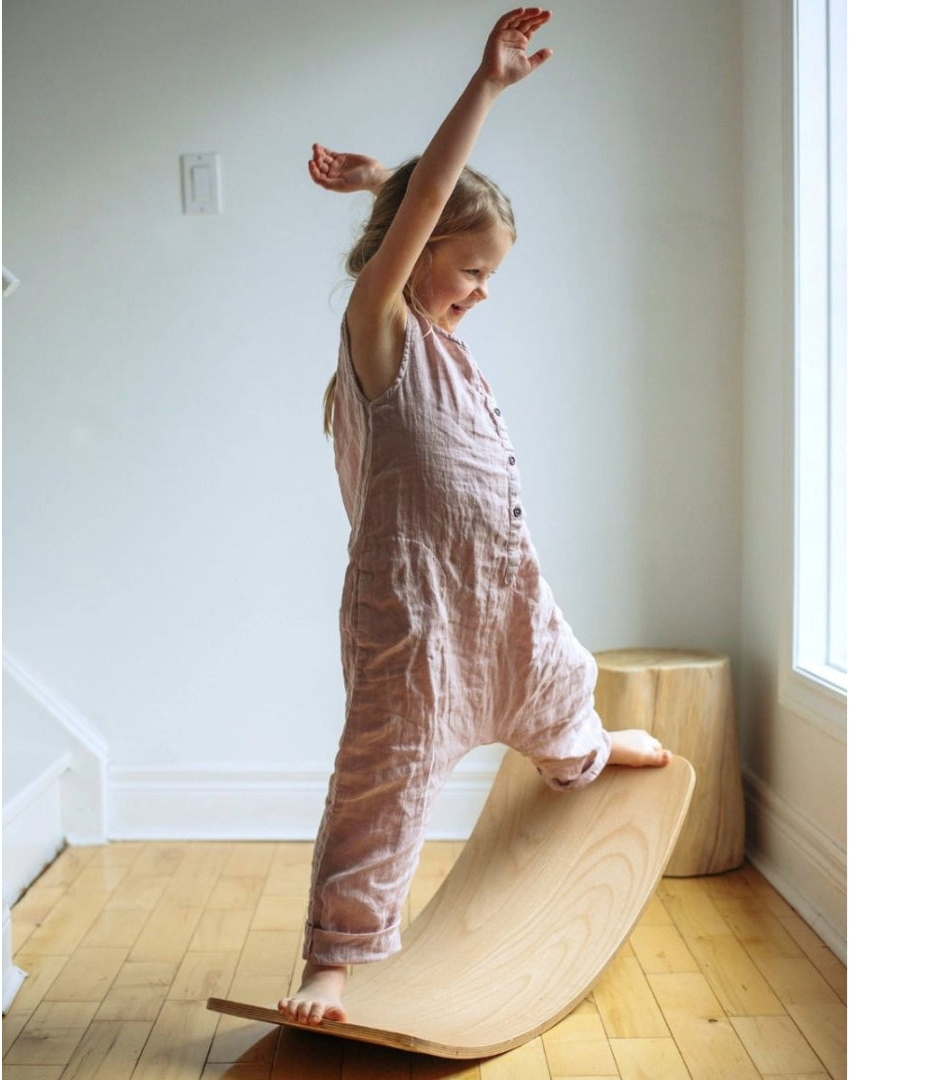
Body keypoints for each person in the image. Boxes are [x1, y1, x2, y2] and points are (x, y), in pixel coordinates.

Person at [280, 8, 672, 1027]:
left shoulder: (447, 344)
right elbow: (416, 235)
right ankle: (337, 958)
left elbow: (425, 224)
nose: (484, 293)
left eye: (492, 275)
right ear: (411, 256)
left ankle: (584, 751)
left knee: (557, 685)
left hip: (499, 594)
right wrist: (484, 89)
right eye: (474, 271)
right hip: (412, 620)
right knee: (384, 786)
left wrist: (385, 184)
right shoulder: (381, 332)